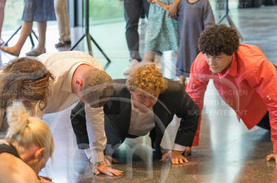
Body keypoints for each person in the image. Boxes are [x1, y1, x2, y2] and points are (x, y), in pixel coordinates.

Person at [185, 25, 277, 163]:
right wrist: (186, 141)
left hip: (270, 86)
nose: (211, 63)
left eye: (218, 57)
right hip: (246, 101)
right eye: (208, 56)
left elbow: (276, 104)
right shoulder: (202, 62)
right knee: (271, 125)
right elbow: (193, 102)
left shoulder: (254, 65)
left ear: (231, 54)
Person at [71, 63, 200, 164]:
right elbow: (77, 115)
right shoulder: (111, 91)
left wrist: (178, 150)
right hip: (114, 130)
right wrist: (93, 154)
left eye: (153, 97)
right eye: (141, 96)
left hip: (149, 129)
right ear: (131, 90)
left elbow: (192, 113)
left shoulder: (173, 92)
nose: (147, 103)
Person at [37, 51, 123, 177]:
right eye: (84, 100)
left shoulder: (96, 71)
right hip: (19, 101)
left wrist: (98, 159)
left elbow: (95, 117)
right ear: (79, 83)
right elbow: (31, 124)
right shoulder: (47, 79)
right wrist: (33, 174)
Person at [176, 0, 214, 85]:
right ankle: (181, 79)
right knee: (183, 55)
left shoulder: (204, 2)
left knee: (195, 57)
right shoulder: (183, 1)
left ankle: (194, 80)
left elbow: (209, 21)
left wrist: (206, 36)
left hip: (197, 37)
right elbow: (177, 15)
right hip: (184, 37)